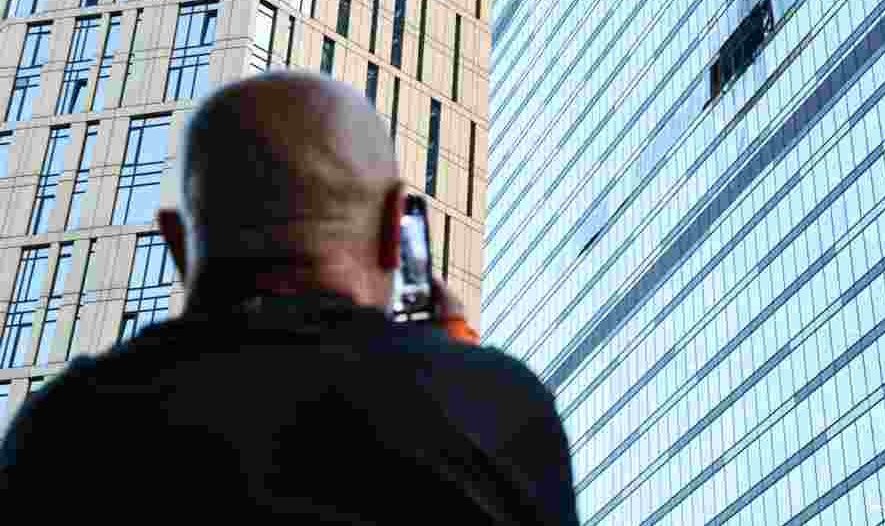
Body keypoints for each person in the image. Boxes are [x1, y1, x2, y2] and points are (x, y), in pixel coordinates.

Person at [0, 72, 579, 523]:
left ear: (179, 244)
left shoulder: (63, 430)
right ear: (391, 230)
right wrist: (456, 357)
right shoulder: (497, 408)